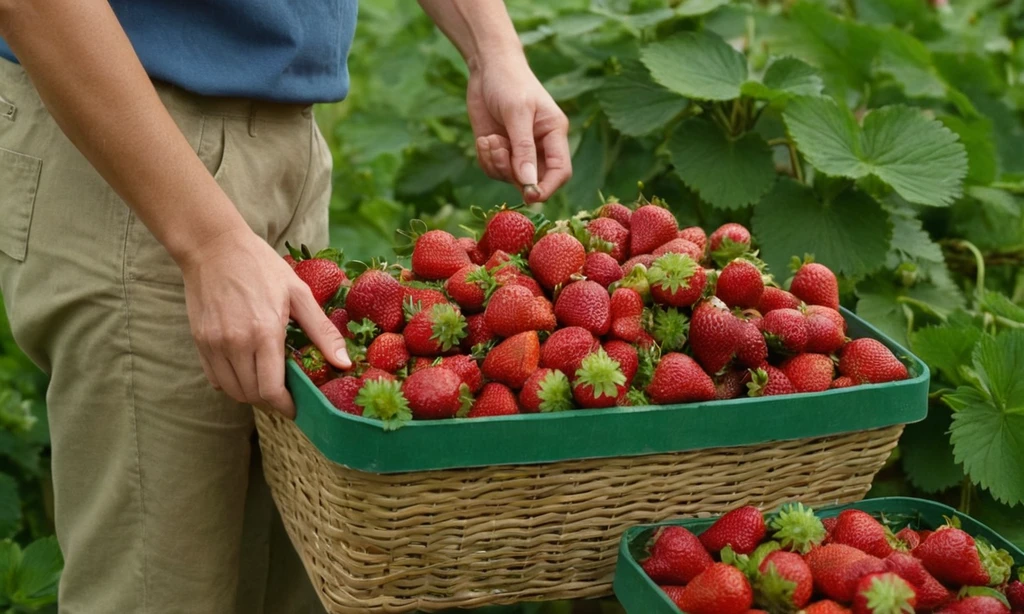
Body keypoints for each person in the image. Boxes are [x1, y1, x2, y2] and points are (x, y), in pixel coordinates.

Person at [0, 0, 572, 611]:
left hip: (289, 138)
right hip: (135, 144)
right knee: (163, 591)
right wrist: (210, 242)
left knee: (302, 584)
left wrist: (492, 50)